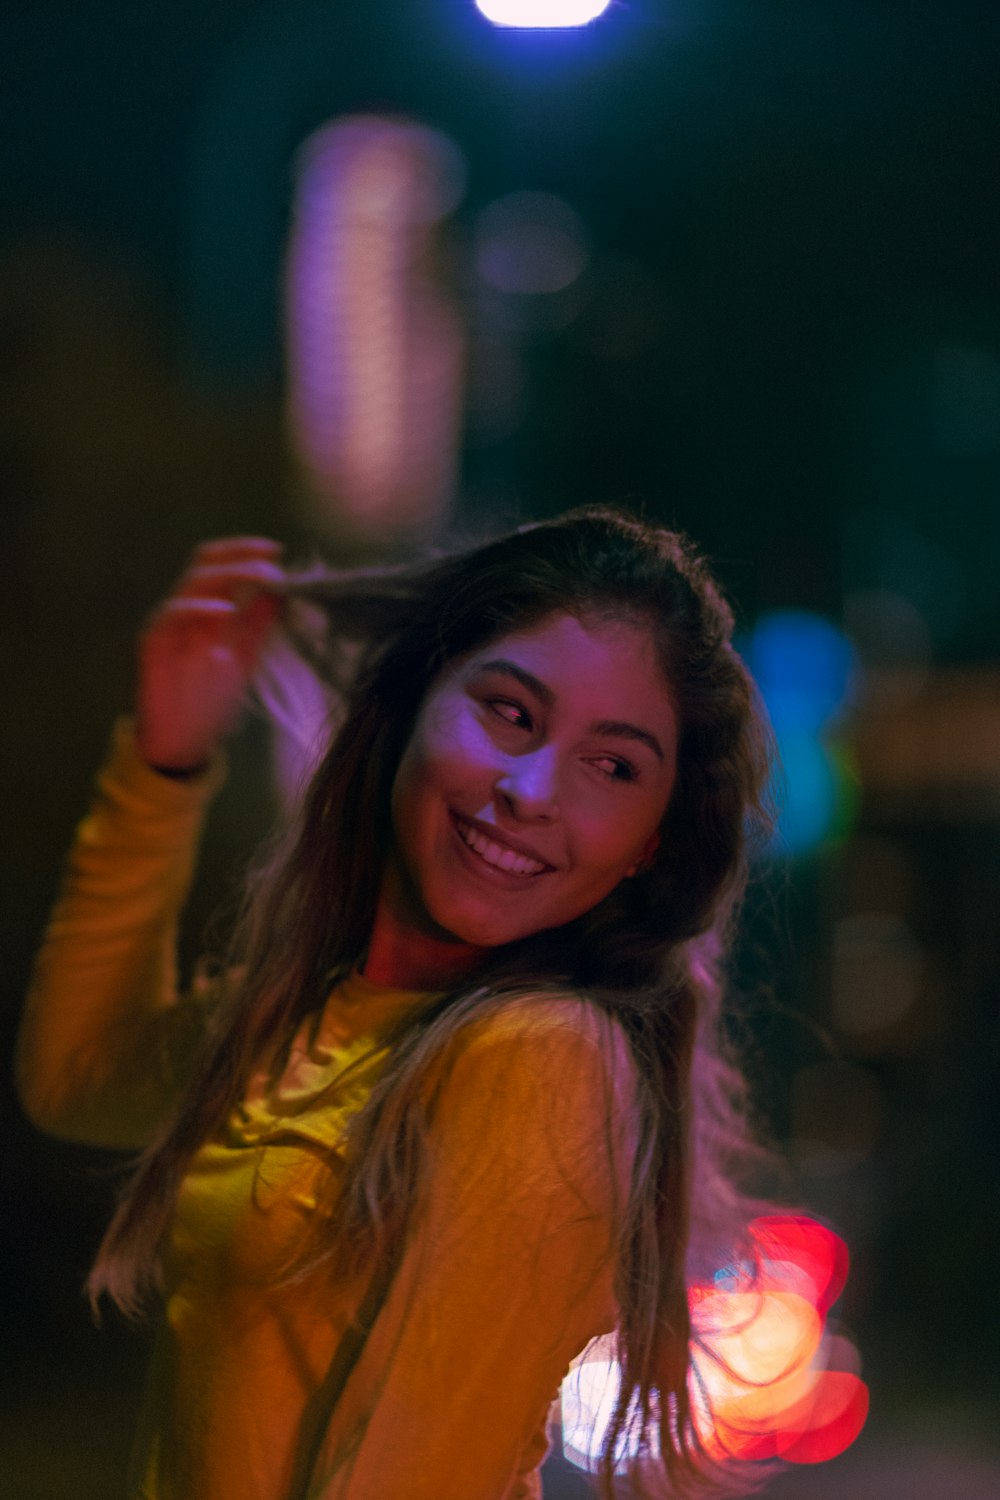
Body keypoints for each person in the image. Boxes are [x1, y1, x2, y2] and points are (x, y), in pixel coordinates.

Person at [16, 507, 780, 1500]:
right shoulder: (303, 1017)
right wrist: (164, 763)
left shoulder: (537, 1060)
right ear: (417, 697)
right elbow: (73, 1076)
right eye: (510, 711)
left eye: (613, 765)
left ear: (649, 844)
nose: (532, 788)